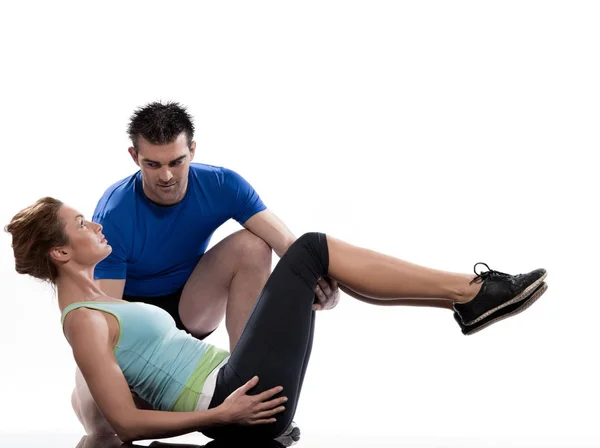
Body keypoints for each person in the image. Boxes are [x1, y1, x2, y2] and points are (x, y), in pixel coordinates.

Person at [5, 197, 547, 444]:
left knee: (313, 256)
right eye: (80, 222)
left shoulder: (105, 304)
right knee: (309, 249)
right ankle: (468, 293)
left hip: (238, 387)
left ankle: (465, 300)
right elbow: (123, 422)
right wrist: (222, 417)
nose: (95, 223)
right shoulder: (82, 321)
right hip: (235, 397)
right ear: (59, 253)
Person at [81, 101, 340, 444]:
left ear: (192, 150)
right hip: (136, 322)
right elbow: (106, 317)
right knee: (99, 426)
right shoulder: (115, 211)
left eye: (177, 161)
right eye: (152, 164)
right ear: (134, 156)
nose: (167, 175)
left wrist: (321, 286)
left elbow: (288, 245)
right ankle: (206, 412)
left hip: (192, 303)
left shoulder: (222, 183)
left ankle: (248, 386)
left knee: (252, 245)